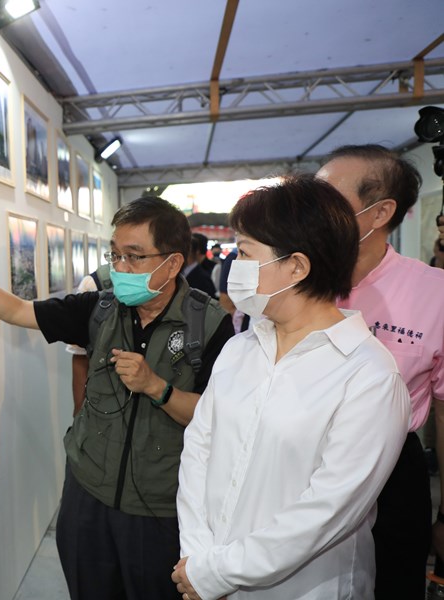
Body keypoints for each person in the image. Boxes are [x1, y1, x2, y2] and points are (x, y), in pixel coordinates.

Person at [0, 196, 234, 600]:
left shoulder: (210, 325)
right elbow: (16, 311)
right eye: (115, 255)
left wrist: (157, 387)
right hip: (87, 497)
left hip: (160, 511)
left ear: (171, 264)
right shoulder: (99, 308)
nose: (120, 268)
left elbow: (216, 419)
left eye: (134, 257)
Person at [172, 175, 410, 599]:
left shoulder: (369, 375)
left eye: (244, 253)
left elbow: (326, 512)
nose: (233, 265)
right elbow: (199, 451)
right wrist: (199, 558)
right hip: (208, 573)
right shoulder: (241, 348)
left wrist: (218, 572)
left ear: (297, 266)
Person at [317, 143, 444, 598]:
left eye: (327, 197)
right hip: (303, 457)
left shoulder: (434, 292)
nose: (313, 210)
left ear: (379, 212)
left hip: (392, 470)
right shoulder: (295, 278)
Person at [67, 263, 111, 416]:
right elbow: (80, 355)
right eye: (116, 254)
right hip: (103, 403)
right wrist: (79, 410)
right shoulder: (95, 284)